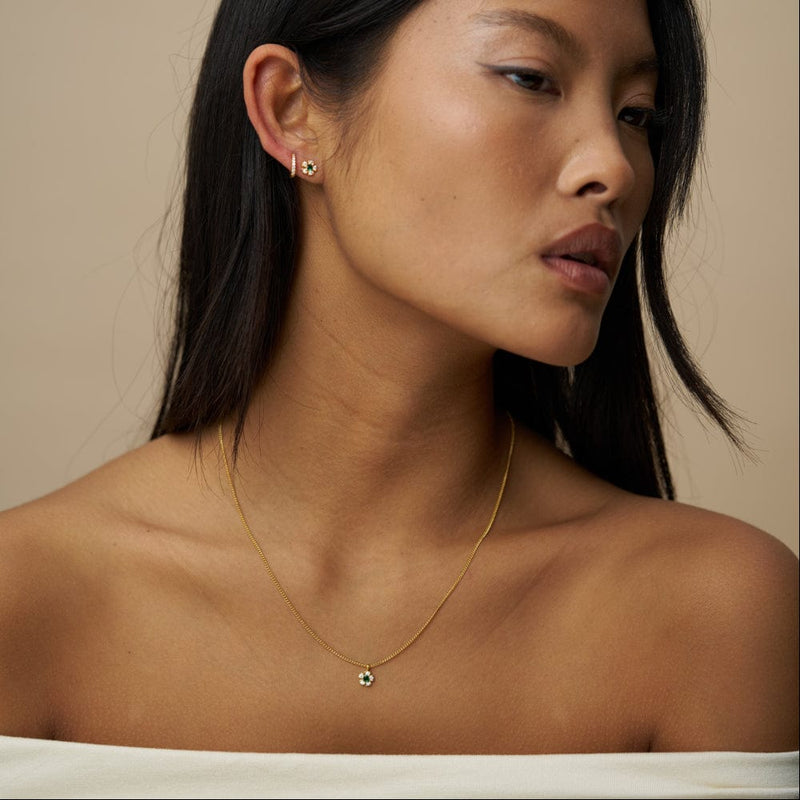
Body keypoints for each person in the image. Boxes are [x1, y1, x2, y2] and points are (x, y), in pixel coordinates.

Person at [1, 0, 797, 797]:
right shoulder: (27, 598)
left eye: (636, 115)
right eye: (530, 78)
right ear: (292, 111)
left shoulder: (714, 616)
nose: (614, 168)